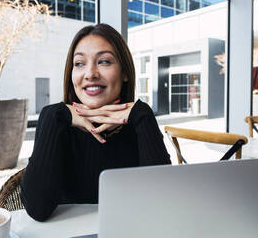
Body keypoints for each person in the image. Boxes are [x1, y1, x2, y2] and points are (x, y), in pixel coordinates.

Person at [20, 23, 171, 222]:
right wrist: (55, 116)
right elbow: (37, 209)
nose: (90, 74)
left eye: (104, 61)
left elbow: (164, 206)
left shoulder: (140, 121)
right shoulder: (56, 121)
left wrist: (142, 115)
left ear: (124, 72)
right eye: (80, 63)